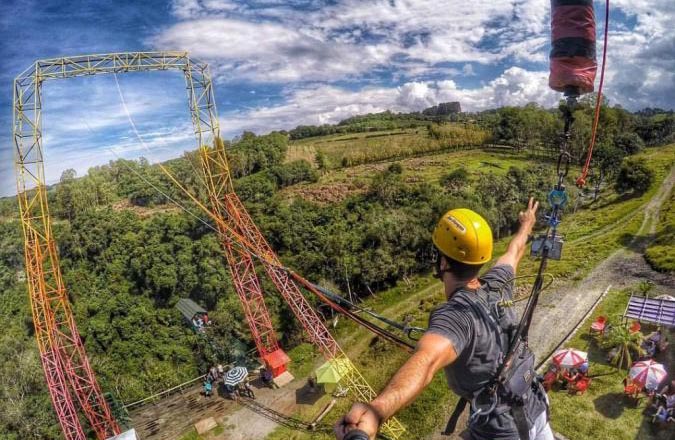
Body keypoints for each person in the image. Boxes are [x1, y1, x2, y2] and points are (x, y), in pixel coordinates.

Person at [335, 199, 553, 440]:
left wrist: (377, 410)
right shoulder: (498, 285)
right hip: (536, 406)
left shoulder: (455, 315)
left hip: (501, 432)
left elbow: (426, 362)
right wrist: (527, 224)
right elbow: (515, 250)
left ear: (443, 261)